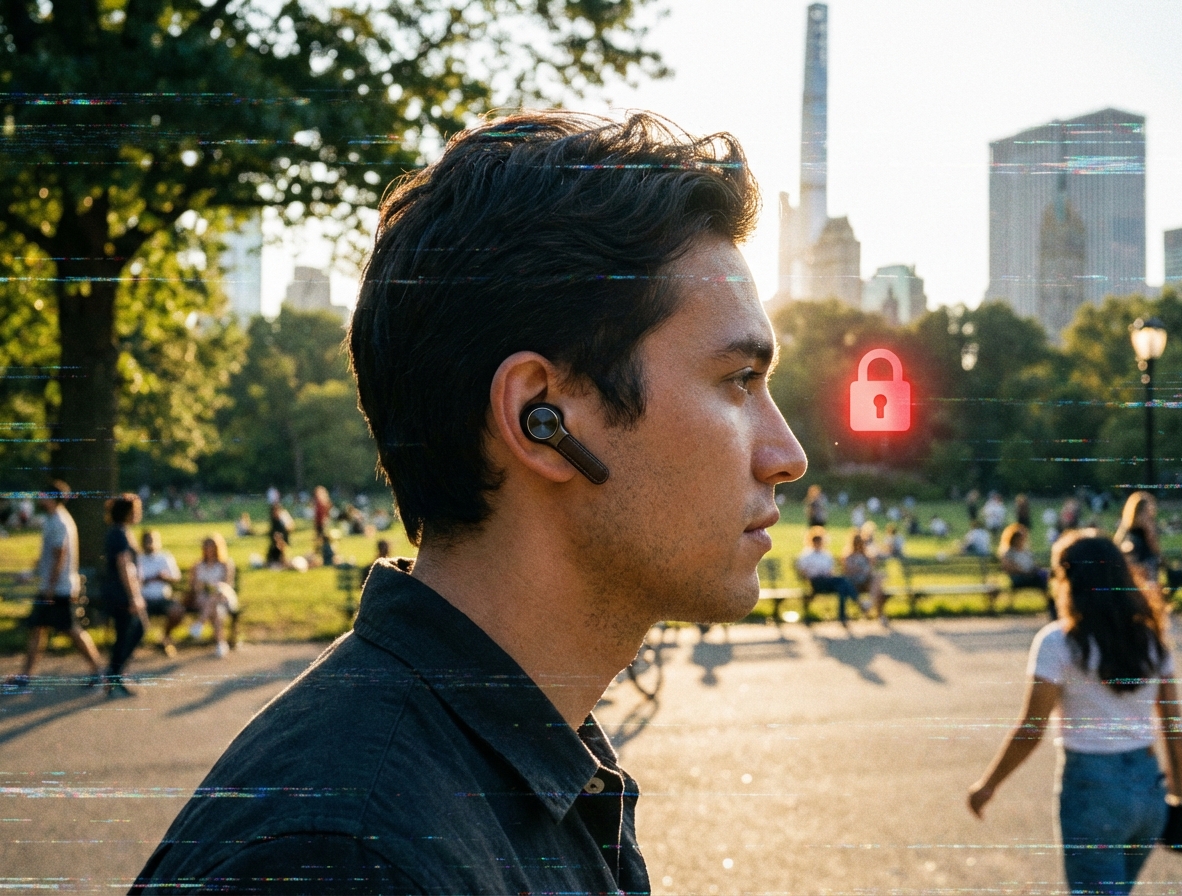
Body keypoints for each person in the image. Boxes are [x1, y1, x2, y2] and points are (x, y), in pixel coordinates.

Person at [133, 111, 806, 892]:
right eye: (737, 382)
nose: (785, 456)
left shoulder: (519, 768)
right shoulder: (349, 859)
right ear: (540, 418)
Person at [968, 533, 1182, 895]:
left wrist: (989, 784)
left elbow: (1031, 729)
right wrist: (1179, 795)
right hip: (1149, 789)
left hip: (1092, 789)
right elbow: (1173, 729)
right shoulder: (1150, 639)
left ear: (1071, 581)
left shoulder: (1059, 643)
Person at [3, 482, 103, 691]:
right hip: (53, 586)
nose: (40, 498)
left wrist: (49, 586)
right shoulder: (52, 520)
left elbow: (59, 555)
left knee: (70, 630)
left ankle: (98, 670)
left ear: (53, 498)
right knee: (37, 627)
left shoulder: (60, 521)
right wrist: (31, 574)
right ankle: (25, 675)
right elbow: (46, 556)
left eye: (44, 495)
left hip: (59, 588)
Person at [102, 494, 148, 698]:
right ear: (128, 512)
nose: (139, 513)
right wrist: (133, 597)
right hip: (121, 594)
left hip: (120, 592)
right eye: (136, 509)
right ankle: (114, 677)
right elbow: (123, 566)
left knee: (134, 631)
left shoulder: (120, 532)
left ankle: (115, 674)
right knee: (130, 632)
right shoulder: (119, 534)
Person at [794, 527, 860, 626]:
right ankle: (858, 602)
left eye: (820, 541)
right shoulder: (806, 555)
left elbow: (830, 572)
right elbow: (802, 571)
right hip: (815, 581)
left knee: (842, 588)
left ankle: (842, 616)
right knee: (843, 581)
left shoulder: (826, 555)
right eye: (816, 540)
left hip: (827, 581)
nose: (818, 543)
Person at [187, 534, 239, 658]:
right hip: (204, 599)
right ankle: (220, 643)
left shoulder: (225, 564)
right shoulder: (198, 565)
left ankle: (200, 623)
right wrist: (200, 585)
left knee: (216, 595)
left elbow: (227, 585)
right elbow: (193, 586)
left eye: (212, 546)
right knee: (214, 606)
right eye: (207, 546)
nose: (209, 549)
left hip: (224, 597)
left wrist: (216, 586)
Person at [137, 530, 184, 656]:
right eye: (147, 541)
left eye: (152, 540)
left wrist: (165, 578)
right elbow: (133, 580)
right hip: (144, 598)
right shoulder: (138, 559)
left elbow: (176, 578)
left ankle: (164, 638)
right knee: (135, 615)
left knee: (177, 611)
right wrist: (147, 580)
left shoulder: (165, 557)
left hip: (164, 597)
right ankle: (135, 644)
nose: (150, 544)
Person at [997, 523, 1053, 618]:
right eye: (1020, 538)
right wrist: (1026, 572)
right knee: (1041, 580)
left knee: (1044, 578)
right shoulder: (1008, 552)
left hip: (1030, 575)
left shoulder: (1025, 551)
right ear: (1013, 538)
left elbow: (1033, 564)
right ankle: (1052, 606)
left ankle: (1052, 605)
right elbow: (1009, 568)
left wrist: (1037, 569)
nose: (1022, 540)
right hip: (1018, 578)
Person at [1114, 491, 1162, 588]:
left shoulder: (1127, 522)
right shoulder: (1148, 522)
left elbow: (1117, 541)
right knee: (1150, 586)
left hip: (1132, 558)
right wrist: (1159, 555)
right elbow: (1152, 542)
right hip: (1146, 559)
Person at [842, 530, 886, 621]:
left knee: (879, 578)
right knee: (878, 588)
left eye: (861, 542)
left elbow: (870, 569)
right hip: (853, 582)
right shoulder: (848, 555)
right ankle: (875, 611)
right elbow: (847, 571)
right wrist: (860, 570)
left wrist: (869, 564)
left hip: (866, 581)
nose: (859, 544)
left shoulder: (867, 555)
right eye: (857, 542)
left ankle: (869, 604)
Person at [265, 502, 293, 567]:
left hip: (283, 545)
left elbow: (291, 527)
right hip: (276, 549)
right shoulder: (274, 524)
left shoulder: (282, 522)